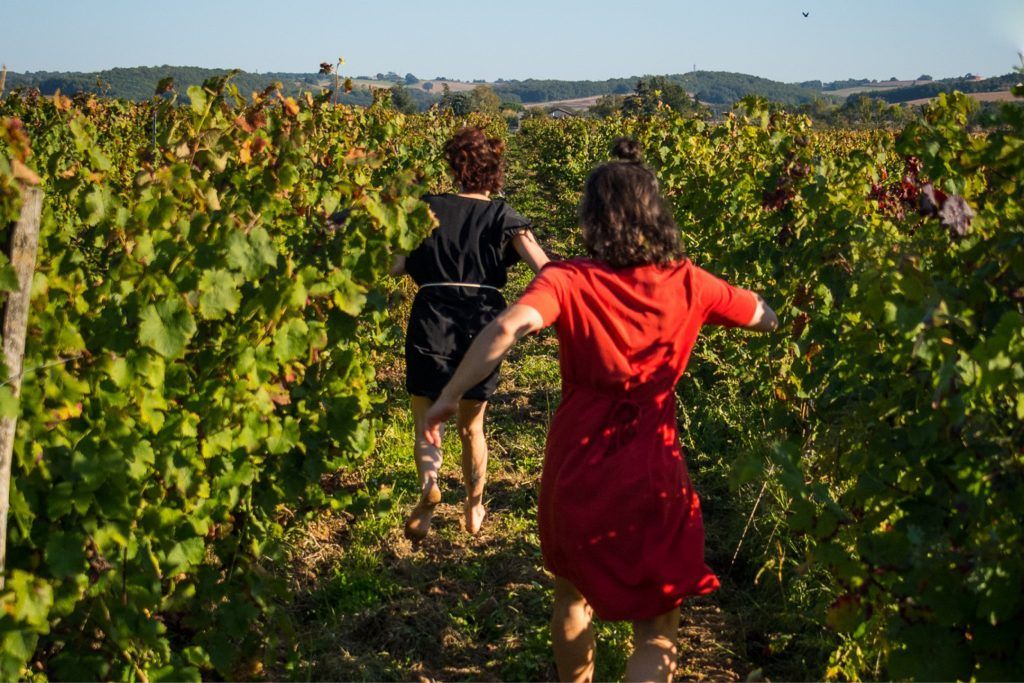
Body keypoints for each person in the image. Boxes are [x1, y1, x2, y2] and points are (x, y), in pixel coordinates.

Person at [422, 139, 778, 682]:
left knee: (572, 596)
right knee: (657, 625)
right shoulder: (689, 281)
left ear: (593, 218)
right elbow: (760, 315)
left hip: (578, 466)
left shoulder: (568, 279)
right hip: (654, 467)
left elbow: (508, 326)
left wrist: (451, 393)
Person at [392, 126, 549, 542]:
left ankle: (429, 489)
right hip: (482, 322)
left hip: (431, 314)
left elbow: (394, 266)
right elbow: (545, 269)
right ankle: (474, 506)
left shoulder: (425, 209)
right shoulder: (503, 217)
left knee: (426, 420)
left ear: (454, 168)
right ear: (495, 171)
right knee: (472, 426)